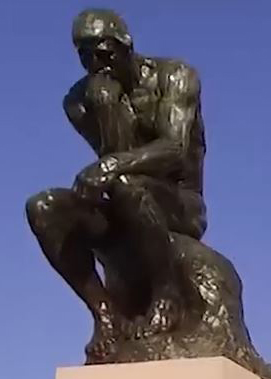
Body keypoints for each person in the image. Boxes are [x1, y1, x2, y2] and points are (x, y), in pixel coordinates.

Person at [26, 9, 207, 358]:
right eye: (86, 56)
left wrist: (110, 166)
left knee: (125, 183)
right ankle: (104, 314)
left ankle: (167, 294)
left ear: (127, 45)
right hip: (121, 198)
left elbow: (175, 149)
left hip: (180, 203)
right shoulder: (79, 102)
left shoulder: (176, 77)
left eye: (104, 53)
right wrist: (106, 105)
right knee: (43, 207)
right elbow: (114, 157)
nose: (97, 64)